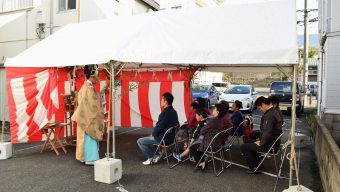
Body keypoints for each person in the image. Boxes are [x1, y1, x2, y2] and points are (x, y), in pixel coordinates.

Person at [71, 65, 106, 165]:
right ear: (92, 75)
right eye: (97, 75)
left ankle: (83, 157)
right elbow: (93, 103)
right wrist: (101, 103)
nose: (98, 78)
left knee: (83, 137)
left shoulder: (86, 86)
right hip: (88, 117)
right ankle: (90, 158)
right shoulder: (88, 88)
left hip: (84, 116)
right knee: (88, 137)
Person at [240, 96, 283, 174]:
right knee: (250, 142)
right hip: (274, 141)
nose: (260, 110)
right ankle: (258, 165)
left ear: (263, 104)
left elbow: (267, 131)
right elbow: (267, 131)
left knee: (244, 146)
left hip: (271, 144)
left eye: (260, 108)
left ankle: (255, 167)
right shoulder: (274, 110)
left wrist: (261, 142)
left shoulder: (270, 115)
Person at [137, 92, 179, 165]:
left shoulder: (164, 113)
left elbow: (158, 128)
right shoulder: (174, 112)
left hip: (164, 139)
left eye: (162, 100)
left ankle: (151, 157)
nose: (160, 101)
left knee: (140, 141)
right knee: (151, 138)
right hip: (171, 138)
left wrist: (153, 134)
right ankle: (157, 155)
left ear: (165, 102)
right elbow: (177, 124)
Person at [190, 103, 226, 171]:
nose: (213, 110)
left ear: (217, 112)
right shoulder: (220, 120)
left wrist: (207, 125)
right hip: (217, 142)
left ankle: (202, 163)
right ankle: (202, 163)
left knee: (192, 147)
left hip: (210, 144)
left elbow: (202, 131)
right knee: (197, 145)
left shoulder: (214, 121)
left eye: (214, 109)